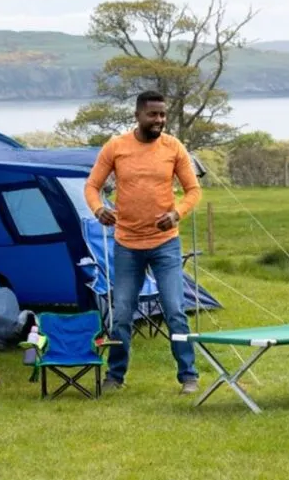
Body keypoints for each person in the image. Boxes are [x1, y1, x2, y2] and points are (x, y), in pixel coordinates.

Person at [84, 90, 202, 394]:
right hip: (127, 246)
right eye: (153, 114)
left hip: (165, 244)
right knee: (122, 312)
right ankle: (115, 376)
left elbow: (193, 191)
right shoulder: (117, 147)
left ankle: (188, 375)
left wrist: (176, 214)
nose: (159, 120)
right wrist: (99, 210)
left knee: (175, 309)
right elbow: (92, 186)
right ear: (137, 115)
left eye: (162, 114)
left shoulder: (173, 147)